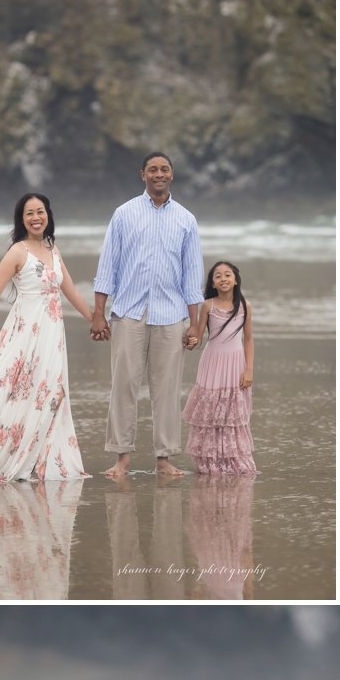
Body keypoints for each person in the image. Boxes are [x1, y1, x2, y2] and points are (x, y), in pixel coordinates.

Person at [0, 195, 92, 483]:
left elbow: (70, 290)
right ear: (21, 219)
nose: (36, 217)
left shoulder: (52, 248)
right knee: (17, 390)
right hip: (26, 332)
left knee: (49, 391)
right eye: (29, 213)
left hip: (52, 334)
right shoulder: (17, 252)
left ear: (48, 215)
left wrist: (97, 320)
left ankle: (39, 458)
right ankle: (5, 456)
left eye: (40, 212)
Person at [91, 152, 205, 481]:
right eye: (152, 169)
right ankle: (121, 457)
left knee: (167, 390)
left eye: (164, 169)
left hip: (171, 316)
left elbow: (191, 277)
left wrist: (194, 324)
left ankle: (164, 459)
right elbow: (107, 267)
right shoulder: (124, 214)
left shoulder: (186, 220)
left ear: (172, 175)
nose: (159, 174)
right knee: (123, 386)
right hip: (128, 313)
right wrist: (99, 313)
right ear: (143, 174)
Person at [183, 260, 257, 476]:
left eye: (227, 275)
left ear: (235, 280)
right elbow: (197, 333)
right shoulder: (208, 305)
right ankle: (209, 461)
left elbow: (249, 339)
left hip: (236, 364)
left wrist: (249, 369)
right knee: (211, 412)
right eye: (218, 276)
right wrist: (190, 341)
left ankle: (233, 460)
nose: (223, 278)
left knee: (232, 413)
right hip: (212, 363)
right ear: (213, 283)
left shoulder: (245, 306)